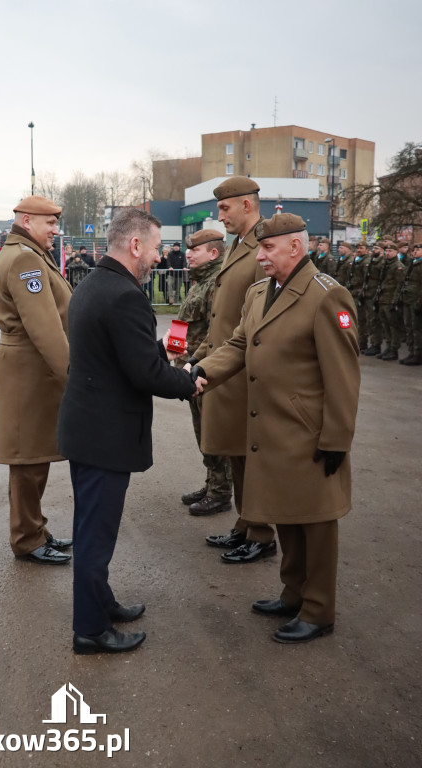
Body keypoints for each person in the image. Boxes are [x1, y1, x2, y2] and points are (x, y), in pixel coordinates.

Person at [194, 213, 360, 644]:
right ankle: (293, 594)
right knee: (286, 513)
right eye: (260, 248)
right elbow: (237, 346)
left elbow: (343, 377)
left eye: (268, 248)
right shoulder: (259, 292)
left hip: (308, 431)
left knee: (317, 522)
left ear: (296, 247)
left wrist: (337, 439)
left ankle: (319, 609)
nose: (261, 256)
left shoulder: (327, 297)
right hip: (270, 427)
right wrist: (198, 373)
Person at [57, 208, 201, 655]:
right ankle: (91, 630)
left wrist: (161, 350)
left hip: (86, 430)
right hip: (104, 437)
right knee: (95, 537)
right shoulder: (125, 295)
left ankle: (102, 603)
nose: (159, 257)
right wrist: (189, 381)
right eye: (157, 248)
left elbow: (122, 355)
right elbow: (145, 375)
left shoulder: (93, 284)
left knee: (91, 530)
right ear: (135, 245)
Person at [187, 176, 276, 564]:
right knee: (238, 455)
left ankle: (261, 532)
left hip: (247, 373)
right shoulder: (240, 245)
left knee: (252, 457)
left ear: (246, 205)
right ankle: (245, 524)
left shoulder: (264, 245)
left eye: (225, 207)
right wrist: (199, 359)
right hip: (226, 366)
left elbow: (267, 317)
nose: (219, 215)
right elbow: (224, 319)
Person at [0, 195, 73, 565]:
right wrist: (73, 377)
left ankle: (34, 528)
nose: (55, 230)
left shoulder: (27, 254)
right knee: (28, 461)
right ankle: (27, 538)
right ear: (26, 221)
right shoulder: (25, 259)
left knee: (33, 458)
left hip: (29, 370)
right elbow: (46, 330)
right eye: (49, 223)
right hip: (31, 371)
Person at [176, 229, 233, 516]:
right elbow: (183, 320)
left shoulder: (217, 283)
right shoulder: (199, 280)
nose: (188, 254)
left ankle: (221, 493)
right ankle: (212, 484)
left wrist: (194, 363)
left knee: (211, 434)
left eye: (194, 250)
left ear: (213, 253)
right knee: (202, 432)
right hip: (188, 369)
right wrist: (173, 355)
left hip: (205, 370)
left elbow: (216, 332)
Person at [375, 241, 405, 361]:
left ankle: (394, 349)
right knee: (385, 325)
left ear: (396, 252)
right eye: (386, 251)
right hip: (383, 299)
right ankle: (388, 347)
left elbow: (400, 285)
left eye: (390, 251)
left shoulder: (398, 267)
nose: (387, 253)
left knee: (393, 326)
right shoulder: (385, 265)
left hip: (391, 299)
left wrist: (395, 301)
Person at [399, 242, 422, 365]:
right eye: (414, 250)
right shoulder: (413, 264)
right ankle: (411, 352)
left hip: (416, 301)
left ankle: (417, 354)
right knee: (408, 327)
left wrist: (419, 303)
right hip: (407, 299)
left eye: (418, 250)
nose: (415, 252)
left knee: (416, 329)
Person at [362, 242, 386, 356]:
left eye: (376, 248)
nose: (374, 250)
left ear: (382, 250)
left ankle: (376, 345)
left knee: (375, 321)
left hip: (376, 295)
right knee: (370, 320)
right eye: (373, 248)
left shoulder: (382, 263)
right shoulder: (372, 261)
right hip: (369, 294)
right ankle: (373, 344)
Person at [347, 242, 370, 352]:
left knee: (361, 319)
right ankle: (357, 341)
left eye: (361, 248)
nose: (358, 250)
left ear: (366, 249)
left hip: (360, 293)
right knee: (354, 318)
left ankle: (363, 342)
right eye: (357, 248)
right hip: (353, 292)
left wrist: (362, 292)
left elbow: (366, 279)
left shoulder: (366, 262)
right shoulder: (356, 260)